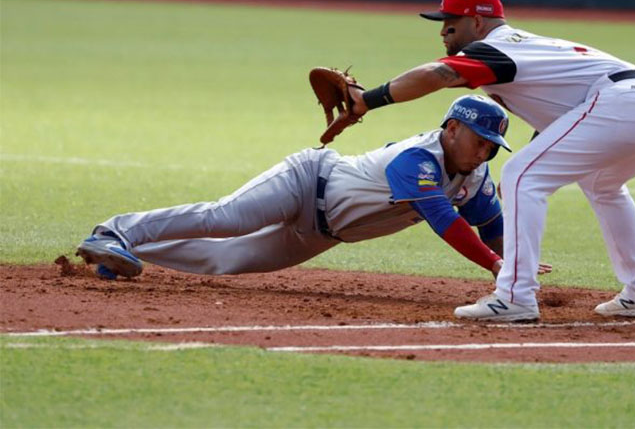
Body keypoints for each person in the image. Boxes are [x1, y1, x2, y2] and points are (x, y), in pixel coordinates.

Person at [346, 0, 635, 321]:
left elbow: (437, 74)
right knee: (602, 186)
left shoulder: (495, 49)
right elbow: (564, 118)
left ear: (478, 23)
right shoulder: (524, 49)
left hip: (623, 104)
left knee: (521, 174)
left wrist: (367, 100)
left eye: (451, 21)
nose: (443, 30)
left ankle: (514, 296)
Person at [77, 95, 551, 283]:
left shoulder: (475, 177)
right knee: (225, 219)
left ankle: (117, 259)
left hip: (323, 234)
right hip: (307, 183)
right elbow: (445, 221)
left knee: (226, 261)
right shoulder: (418, 159)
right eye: (480, 140)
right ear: (451, 128)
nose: (485, 152)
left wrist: (516, 257)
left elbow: (492, 225)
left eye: (493, 146)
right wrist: (497, 265)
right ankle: (116, 232)